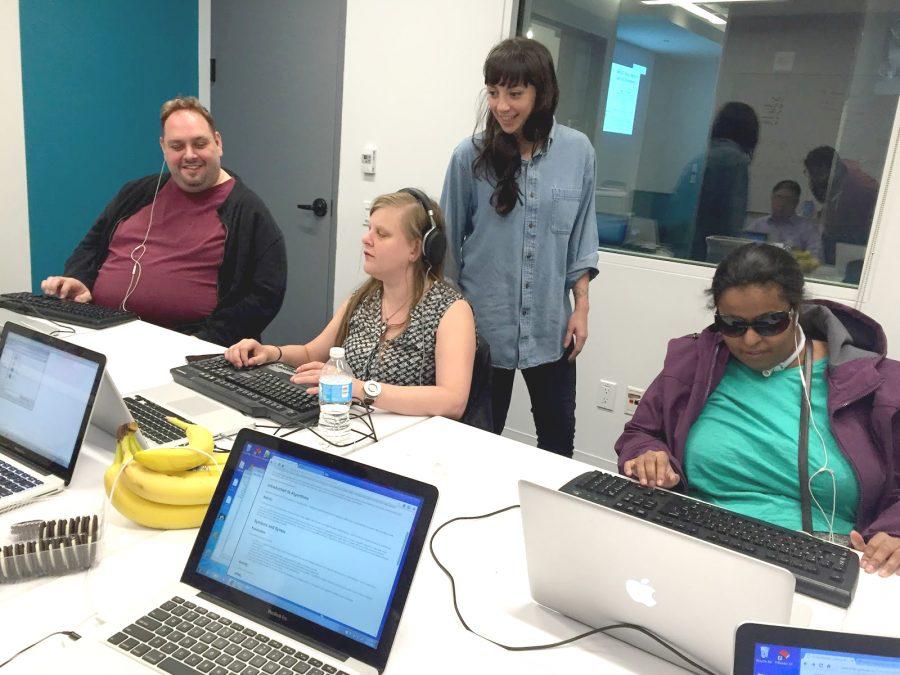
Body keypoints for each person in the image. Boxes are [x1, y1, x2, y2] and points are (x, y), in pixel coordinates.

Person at [615, 243, 900, 577]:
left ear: (795, 310)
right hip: (698, 540)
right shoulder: (694, 365)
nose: (749, 340)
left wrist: (894, 531)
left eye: (768, 323)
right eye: (733, 324)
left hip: (820, 559)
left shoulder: (876, 385)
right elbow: (642, 434)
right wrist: (649, 454)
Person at [440, 37, 599, 458]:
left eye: (515, 93)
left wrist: (581, 308)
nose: (502, 106)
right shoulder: (468, 157)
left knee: (557, 443)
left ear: (541, 93)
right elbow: (447, 247)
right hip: (483, 328)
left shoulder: (578, 151)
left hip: (551, 328)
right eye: (493, 93)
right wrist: (450, 325)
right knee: (476, 445)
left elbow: (581, 236)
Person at [40, 96, 287, 346]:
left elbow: (264, 294)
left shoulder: (247, 211)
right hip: (101, 332)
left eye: (199, 143)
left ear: (218, 142)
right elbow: (90, 246)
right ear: (163, 148)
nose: (190, 155)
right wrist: (79, 279)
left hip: (187, 348)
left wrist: (202, 342)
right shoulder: (136, 194)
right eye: (177, 146)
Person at [224, 190, 476, 420]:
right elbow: (313, 353)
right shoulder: (364, 298)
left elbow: (452, 401)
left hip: (410, 440)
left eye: (382, 234)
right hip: (352, 425)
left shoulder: (451, 310)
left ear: (415, 248)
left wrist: (358, 388)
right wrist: (270, 353)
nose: (366, 239)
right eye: (369, 229)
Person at [688, 101, 759, 261]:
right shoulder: (735, 161)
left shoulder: (703, 156)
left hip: (689, 247)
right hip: (709, 253)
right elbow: (732, 224)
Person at [804, 145, 878, 265]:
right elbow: (825, 200)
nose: (813, 178)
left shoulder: (859, 189)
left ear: (825, 170)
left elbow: (844, 222)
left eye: (814, 173)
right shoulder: (838, 176)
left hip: (853, 239)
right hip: (838, 234)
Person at [744, 179, 823, 260]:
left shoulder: (807, 229)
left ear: (796, 203)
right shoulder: (759, 224)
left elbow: (815, 257)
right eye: (778, 197)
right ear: (772, 199)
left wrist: (792, 259)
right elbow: (742, 249)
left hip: (792, 270)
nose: (781, 203)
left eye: (787, 199)